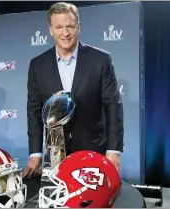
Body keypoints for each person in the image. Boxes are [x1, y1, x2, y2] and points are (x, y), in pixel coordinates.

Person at [23, 2, 124, 178]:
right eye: (59, 27)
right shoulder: (37, 65)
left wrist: (113, 150)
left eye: (70, 26)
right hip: (54, 154)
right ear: (50, 29)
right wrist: (35, 154)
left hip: (94, 150)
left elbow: (113, 107)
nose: (65, 33)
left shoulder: (101, 60)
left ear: (78, 26)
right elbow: (34, 111)